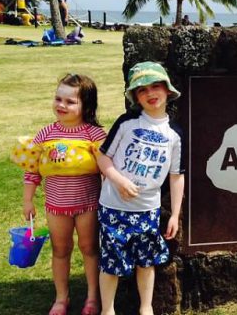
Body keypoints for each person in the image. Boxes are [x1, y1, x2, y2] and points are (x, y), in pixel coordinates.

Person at [96, 62, 185, 315]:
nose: (150, 93)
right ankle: (108, 309)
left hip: (148, 210)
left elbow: (177, 176)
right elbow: (103, 158)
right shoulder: (127, 123)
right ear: (136, 96)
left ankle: (146, 308)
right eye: (142, 89)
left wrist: (176, 214)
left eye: (155, 86)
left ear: (167, 90)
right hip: (114, 206)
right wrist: (119, 180)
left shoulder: (175, 134)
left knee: (146, 262)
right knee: (110, 262)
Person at [16, 74, 106, 315]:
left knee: (89, 248)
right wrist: (28, 200)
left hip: (88, 204)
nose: (61, 105)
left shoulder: (94, 134)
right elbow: (32, 170)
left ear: (86, 105)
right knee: (60, 249)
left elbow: (108, 169)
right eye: (58, 99)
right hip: (56, 206)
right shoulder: (45, 134)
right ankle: (61, 298)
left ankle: (92, 297)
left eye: (70, 101)